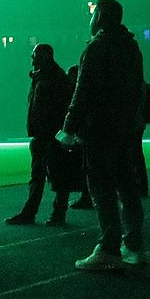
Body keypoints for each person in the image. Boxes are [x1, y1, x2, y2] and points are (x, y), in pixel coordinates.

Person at [59, 0, 146, 271]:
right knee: (127, 186)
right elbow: (138, 88)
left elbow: (82, 91)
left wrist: (69, 127)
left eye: (93, 12)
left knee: (102, 187)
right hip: (125, 127)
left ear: (100, 16)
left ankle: (108, 247)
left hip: (99, 128)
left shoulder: (97, 47)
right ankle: (133, 245)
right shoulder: (131, 46)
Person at [6, 44, 74, 226]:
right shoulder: (49, 76)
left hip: (49, 135)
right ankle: (50, 213)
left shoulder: (53, 78)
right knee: (46, 175)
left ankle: (49, 213)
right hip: (44, 134)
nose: (32, 58)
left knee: (54, 175)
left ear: (43, 56)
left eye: (34, 55)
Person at [65, 64, 93, 210]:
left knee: (86, 167)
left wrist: (68, 129)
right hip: (84, 133)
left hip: (84, 134)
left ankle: (87, 196)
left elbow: (76, 110)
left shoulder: (78, 93)